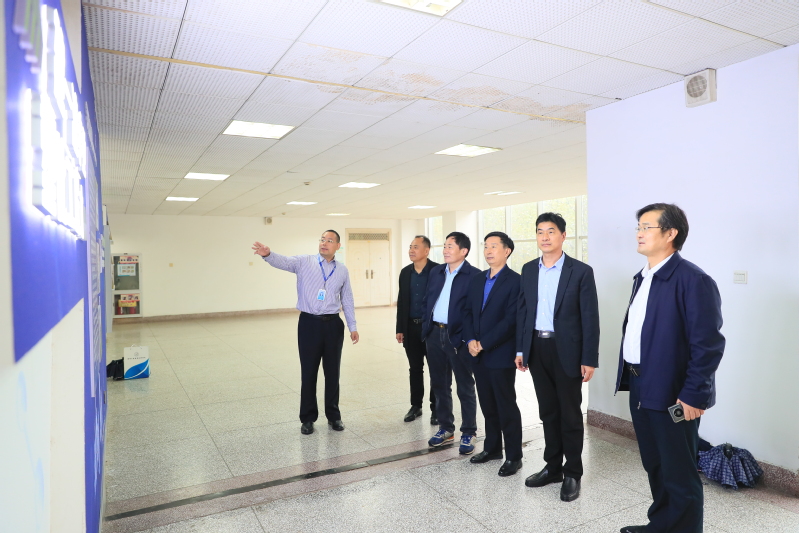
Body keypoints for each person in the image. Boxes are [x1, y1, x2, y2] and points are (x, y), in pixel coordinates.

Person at [617, 204, 724, 533]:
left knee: (679, 470)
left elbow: (708, 345)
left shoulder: (693, 280)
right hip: (640, 385)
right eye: (638, 226)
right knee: (655, 463)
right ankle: (662, 525)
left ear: (670, 233)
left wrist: (694, 395)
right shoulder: (643, 277)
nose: (639, 233)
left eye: (646, 227)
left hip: (673, 391)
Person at [516, 212, 599, 502]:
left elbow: (590, 317)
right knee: (548, 411)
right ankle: (552, 467)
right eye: (540, 232)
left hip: (568, 351)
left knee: (570, 413)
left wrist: (589, 358)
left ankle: (572, 472)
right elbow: (523, 311)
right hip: (537, 348)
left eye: (551, 231)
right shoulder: (528, 269)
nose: (545, 237)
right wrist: (521, 349)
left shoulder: (580, 271)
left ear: (563, 236)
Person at [252, 230, 359, 436]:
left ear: (338, 246)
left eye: (329, 241)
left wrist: (352, 326)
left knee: (333, 373)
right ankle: (308, 418)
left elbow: (347, 299)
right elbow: (284, 262)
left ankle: (334, 416)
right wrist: (268, 254)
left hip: (333, 325)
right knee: (309, 372)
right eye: (322, 240)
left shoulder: (342, 271)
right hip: (309, 324)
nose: (324, 243)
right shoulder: (304, 262)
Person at [462, 231, 523, 477]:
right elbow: (467, 312)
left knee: (506, 405)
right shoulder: (477, 279)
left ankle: (514, 456)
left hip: (500, 353)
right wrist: (470, 340)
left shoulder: (516, 281)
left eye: (494, 246)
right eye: (486, 246)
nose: (488, 250)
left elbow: (511, 320)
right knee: (487, 403)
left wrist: (484, 343)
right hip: (477, 354)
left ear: (507, 251)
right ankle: (492, 448)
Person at [422, 232, 481, 454]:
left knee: (464, 385)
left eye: (450, 246)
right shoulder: (436, 272)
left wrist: (469, 337)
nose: (445, 250)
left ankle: (469, 431)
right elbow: (427, 300)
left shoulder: (474, 275)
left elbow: (475, 311)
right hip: (434, 334)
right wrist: (426, 328)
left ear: (463, 251)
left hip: (458, 337)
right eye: (445, 246)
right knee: (439, 384)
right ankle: (446, 428)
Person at [396, 236, 439, 424]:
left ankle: (436, 407)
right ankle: (416, 406)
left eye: (416, 247)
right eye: (410, 247)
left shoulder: (438, 271)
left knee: (435, 369)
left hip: (432, 328)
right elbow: (402, 302)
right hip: (411, 327)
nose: (411, 250)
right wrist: (400, 328)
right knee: (415, 368)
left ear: (426, 251)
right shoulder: (405, 272)